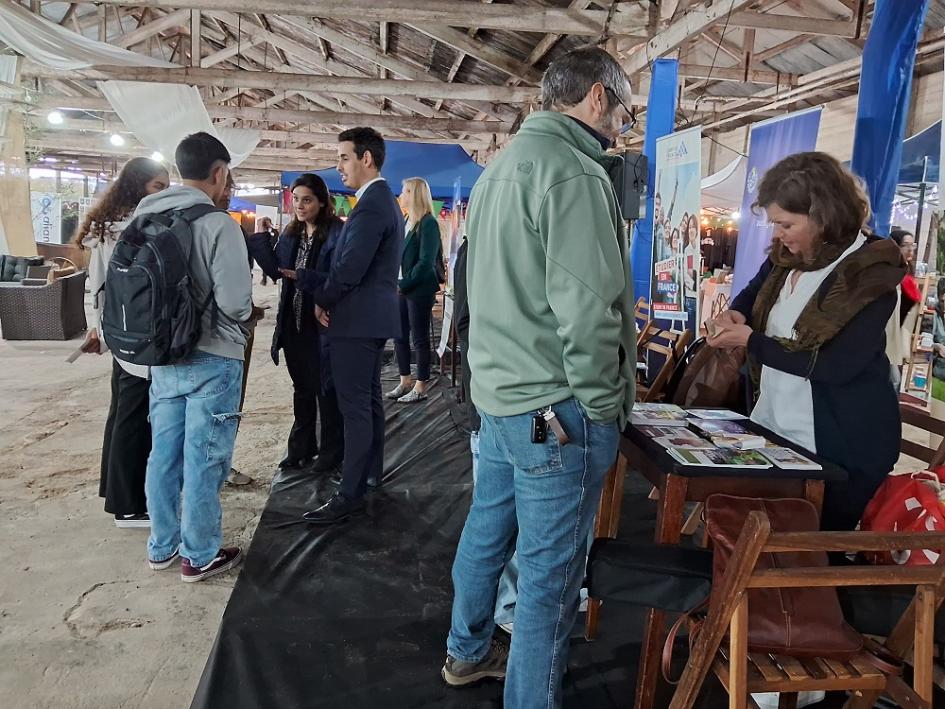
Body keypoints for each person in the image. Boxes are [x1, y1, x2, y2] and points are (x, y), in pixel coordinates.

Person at [443, 47, 636, 707]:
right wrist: (604, 406)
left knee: (487, 530)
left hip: (502, 397)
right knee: (550, 582)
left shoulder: (500, 171)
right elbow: (588, 314)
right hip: (553, 409)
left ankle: (465, 650)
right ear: (595, 98)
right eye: (624, 108)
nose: (624, 123)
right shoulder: (572, 174)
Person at [708, 151, 905, 532]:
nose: (777, 234)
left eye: (785, 223)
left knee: (803, 555)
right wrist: (737, 314)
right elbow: (752, 293)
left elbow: (834, 366)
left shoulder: (870, 275)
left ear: (822, 215)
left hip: (841, 446)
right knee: (754, 542)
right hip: (777, 430)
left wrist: (751, 341)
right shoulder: (789, 255)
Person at [141, 132, 254, 582]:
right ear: (219, 172)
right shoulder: (217, 224)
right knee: (204, 459)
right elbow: (237, 303)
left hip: (162, 356)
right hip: (212, 356)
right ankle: (200, 553)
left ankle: (161, 546)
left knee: (163, 455)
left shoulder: (144, 217)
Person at [294, 127, 403, 525]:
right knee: (368, 403)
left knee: (355, 408)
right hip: (368, 319)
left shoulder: (373, 205)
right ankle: (367, 474)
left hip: (356, 321)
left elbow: (350, 267)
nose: (338, 166)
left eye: (343, 157)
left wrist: (323, 299)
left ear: (366, 159)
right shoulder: (378, 202)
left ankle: (350, 492)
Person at [75, 157, 169, 528]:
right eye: (157, 187)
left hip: (122, 331)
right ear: (136, 187)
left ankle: (117, 493)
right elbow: (103, 283)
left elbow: (96, 285)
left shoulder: (108, 225)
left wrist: (99, 327)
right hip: (137, 334)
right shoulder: (131, 228)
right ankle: (128, 506)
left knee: (123, 415)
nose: (162, 194)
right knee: (133, 418)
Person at [248, 173, 345, 475]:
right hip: (293, 322)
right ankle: (301, 448)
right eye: (296, 199)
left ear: (321, 202)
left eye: (307, 200)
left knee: (326, 391)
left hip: (323, 323)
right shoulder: (291, 233)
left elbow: (341, 277)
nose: (300, 206)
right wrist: (261, 239)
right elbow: (278, 271)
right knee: (302, 388)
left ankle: (332, 452)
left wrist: (309, 283)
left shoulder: (337, 234)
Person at [215, 172, 263, 488]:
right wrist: (247, 314)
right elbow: (234, 297)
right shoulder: (223, 227)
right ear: (217, 178)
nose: (231, 193)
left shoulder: (165, 222)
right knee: (222, 411)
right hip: (223, 336)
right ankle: (219, 468)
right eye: (229, 186)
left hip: (179, 339)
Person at [388, 177, 442, 404]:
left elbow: (426, 261)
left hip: (417, 289)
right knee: (399, 336)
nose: (401, 195)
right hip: (400, 287)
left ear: (415, 194)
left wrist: (404, 284)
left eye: (405, 191)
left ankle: (421, 385)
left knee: (419, 339)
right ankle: (405, 381)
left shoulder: (428, 223)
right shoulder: (407, 220)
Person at [886, 227, 921, 387]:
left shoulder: (907, 274)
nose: (910, 249)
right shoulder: (890, 275)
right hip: (887, 344)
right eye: (905, 245)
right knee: (892, 383)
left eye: (912, 245)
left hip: (899, 345)